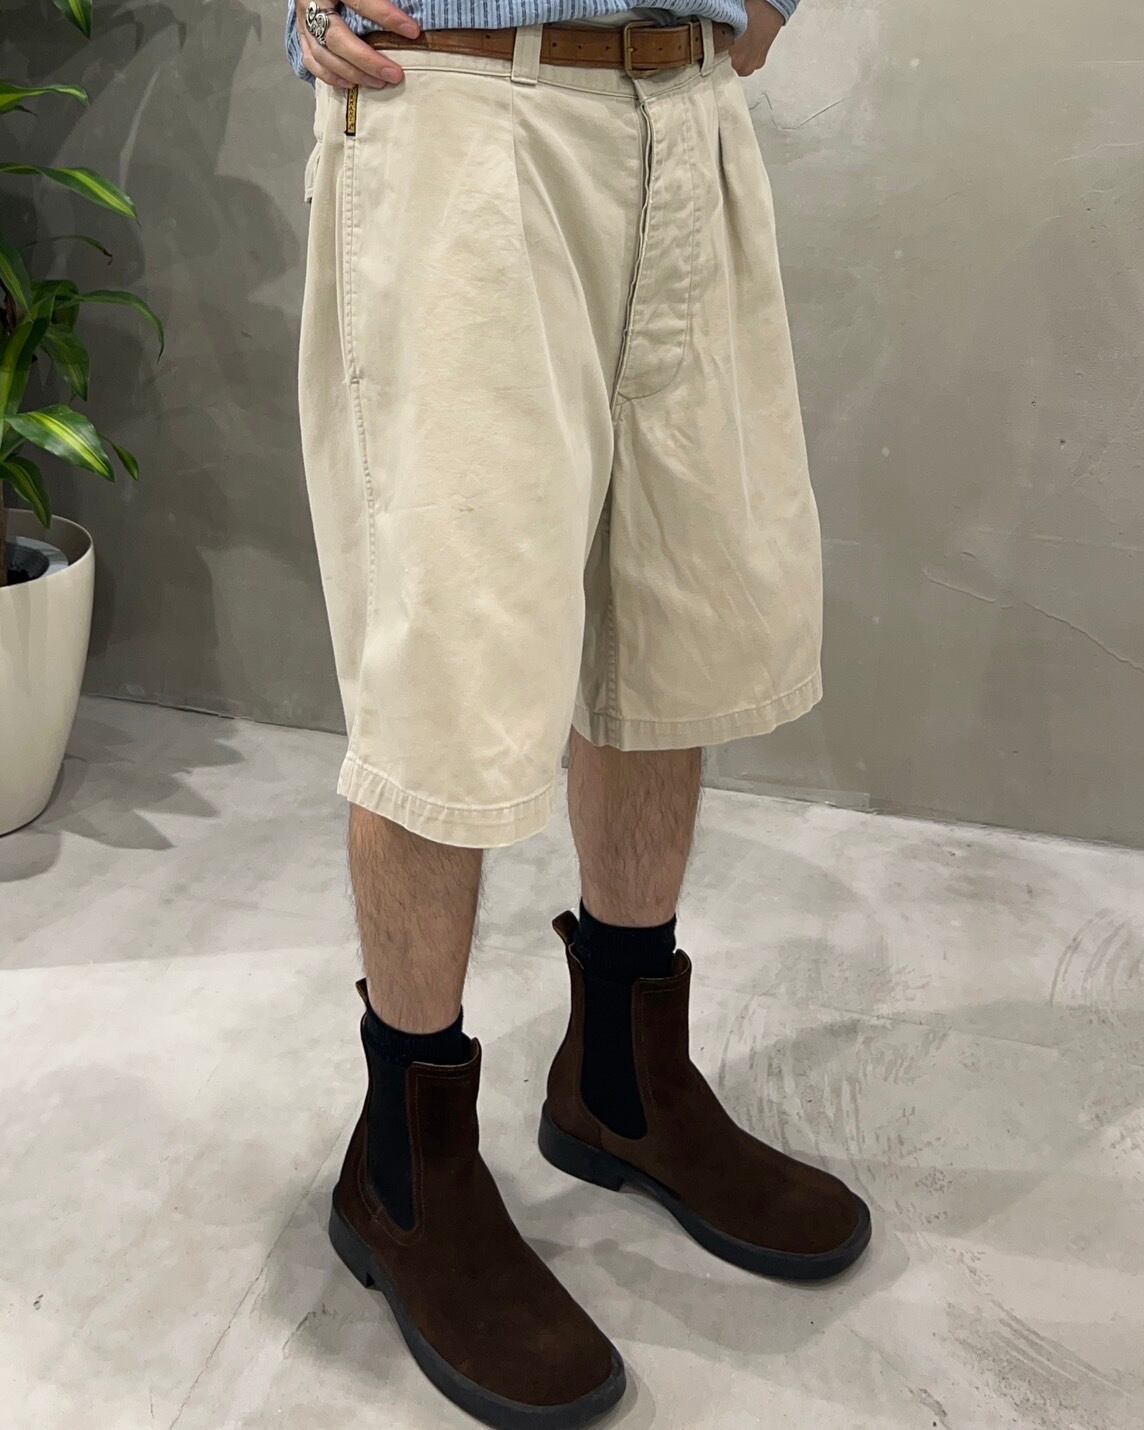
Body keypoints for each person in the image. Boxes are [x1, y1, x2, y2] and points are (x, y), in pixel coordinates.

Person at [289, 0, 870, 1422]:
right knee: (451, 669)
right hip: (462, 102)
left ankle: (623, 1079)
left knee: (676, 625)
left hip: (687, 108)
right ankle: (404, 1166)